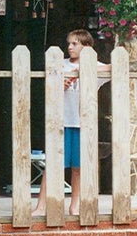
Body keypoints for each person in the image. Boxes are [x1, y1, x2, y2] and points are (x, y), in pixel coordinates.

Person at [32, 29, 110, 217]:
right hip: (61, 122)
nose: (70, 47)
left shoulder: (93, 66)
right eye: (69, 43)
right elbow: (48, 89)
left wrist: (82, 69)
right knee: (52, 165)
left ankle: (74, 206)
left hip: (82, 124)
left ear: (86, 46)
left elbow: (113, 67)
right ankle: (40, 206)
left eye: (75, 43)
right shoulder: (61, 64)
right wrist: (61, 85)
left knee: (78, 168)